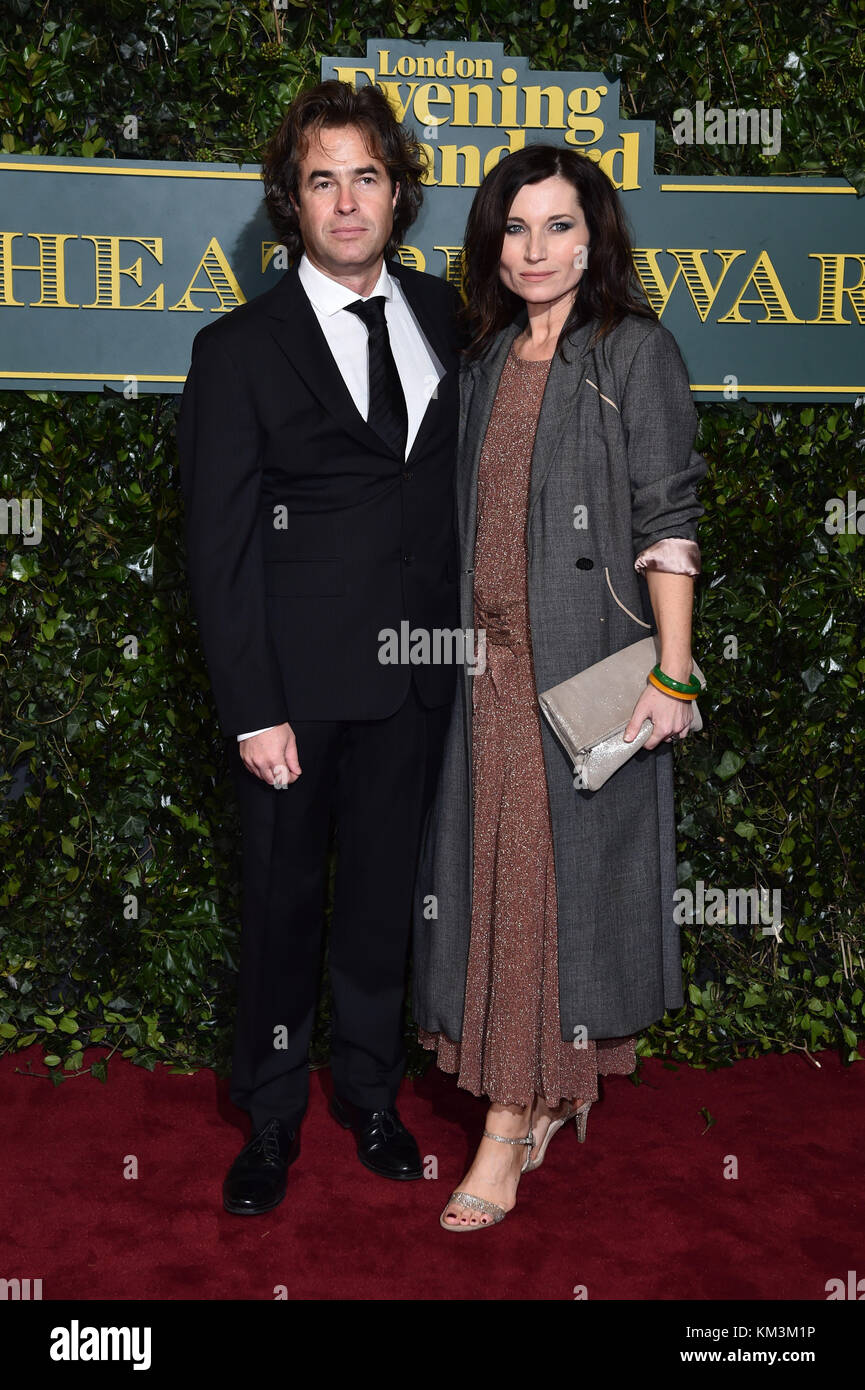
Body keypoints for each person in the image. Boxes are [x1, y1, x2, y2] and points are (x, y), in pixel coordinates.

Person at [177, 80, 463, 1215]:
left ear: (399, 192)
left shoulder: (451, 317)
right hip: (292, 695)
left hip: (418, 685)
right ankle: (274, 1114)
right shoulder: (238, 348)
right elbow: (220, 547)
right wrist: (253, 707)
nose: (348, 202)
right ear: (290, 203)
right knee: (283, 905)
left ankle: (370, 1092)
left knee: (387, 903)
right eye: (321, 180)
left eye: (367, 176)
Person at [412, 144, 708, 1230]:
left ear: (596, 237)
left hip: (585, 677)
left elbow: (668, 519)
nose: (536, 250)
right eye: (516, 228)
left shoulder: (634, 352)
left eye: (560, 226)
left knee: (551, 890)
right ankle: (532, 1094)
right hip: (481, 675)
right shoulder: (486, 360)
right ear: (493, 242)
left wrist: (672, 672)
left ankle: (510, 1119)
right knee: (495, 888)